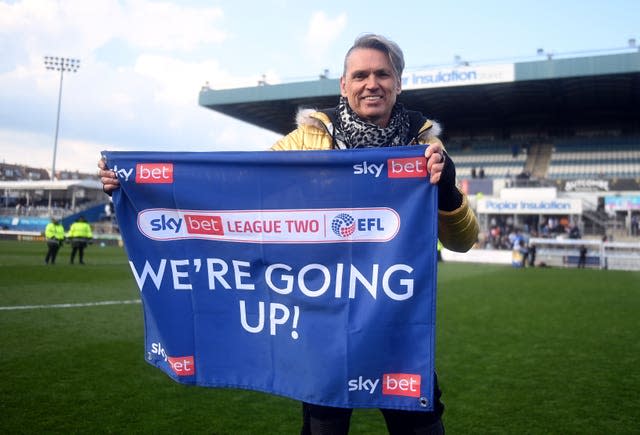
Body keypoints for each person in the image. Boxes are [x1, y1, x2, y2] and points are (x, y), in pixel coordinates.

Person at [99, 33, 479, 434]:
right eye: (361, 74)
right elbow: (241, 189)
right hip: (322, 322)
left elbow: (463, 241)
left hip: (396, 319)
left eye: (382, 74)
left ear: (398, 83)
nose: (372, 83)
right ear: (344, 85)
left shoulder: (426, 149)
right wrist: (136, 183)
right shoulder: (305, 142)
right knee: (324, 425)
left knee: (420, 425)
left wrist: (448, 190)